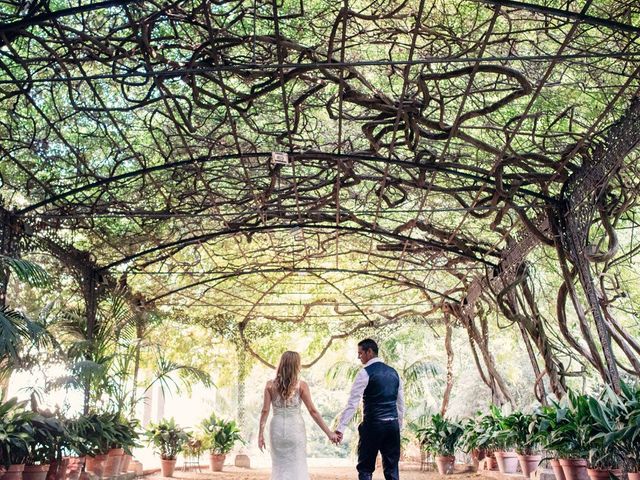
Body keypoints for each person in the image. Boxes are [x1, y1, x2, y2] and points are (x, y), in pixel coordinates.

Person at [258, 351, 339, 480]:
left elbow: (265, 411)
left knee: (279, 466)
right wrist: (329, 433)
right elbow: (313, 411)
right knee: (297, 465)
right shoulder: (301, 385)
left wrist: (260, 434)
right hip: (295, 430)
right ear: (296, 365)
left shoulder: (269, 385)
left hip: (277, 430)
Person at [335, 338, 405, 480]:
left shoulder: (365, 373)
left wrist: (341, 428)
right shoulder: (394, 373)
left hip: (373, 426)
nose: (359, 357)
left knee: (365, 469)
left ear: (369, 352)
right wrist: (398, 426)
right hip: (392, 426)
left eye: (360, 353)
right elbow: (401, 404)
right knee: (392, 470)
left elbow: (352, 403)